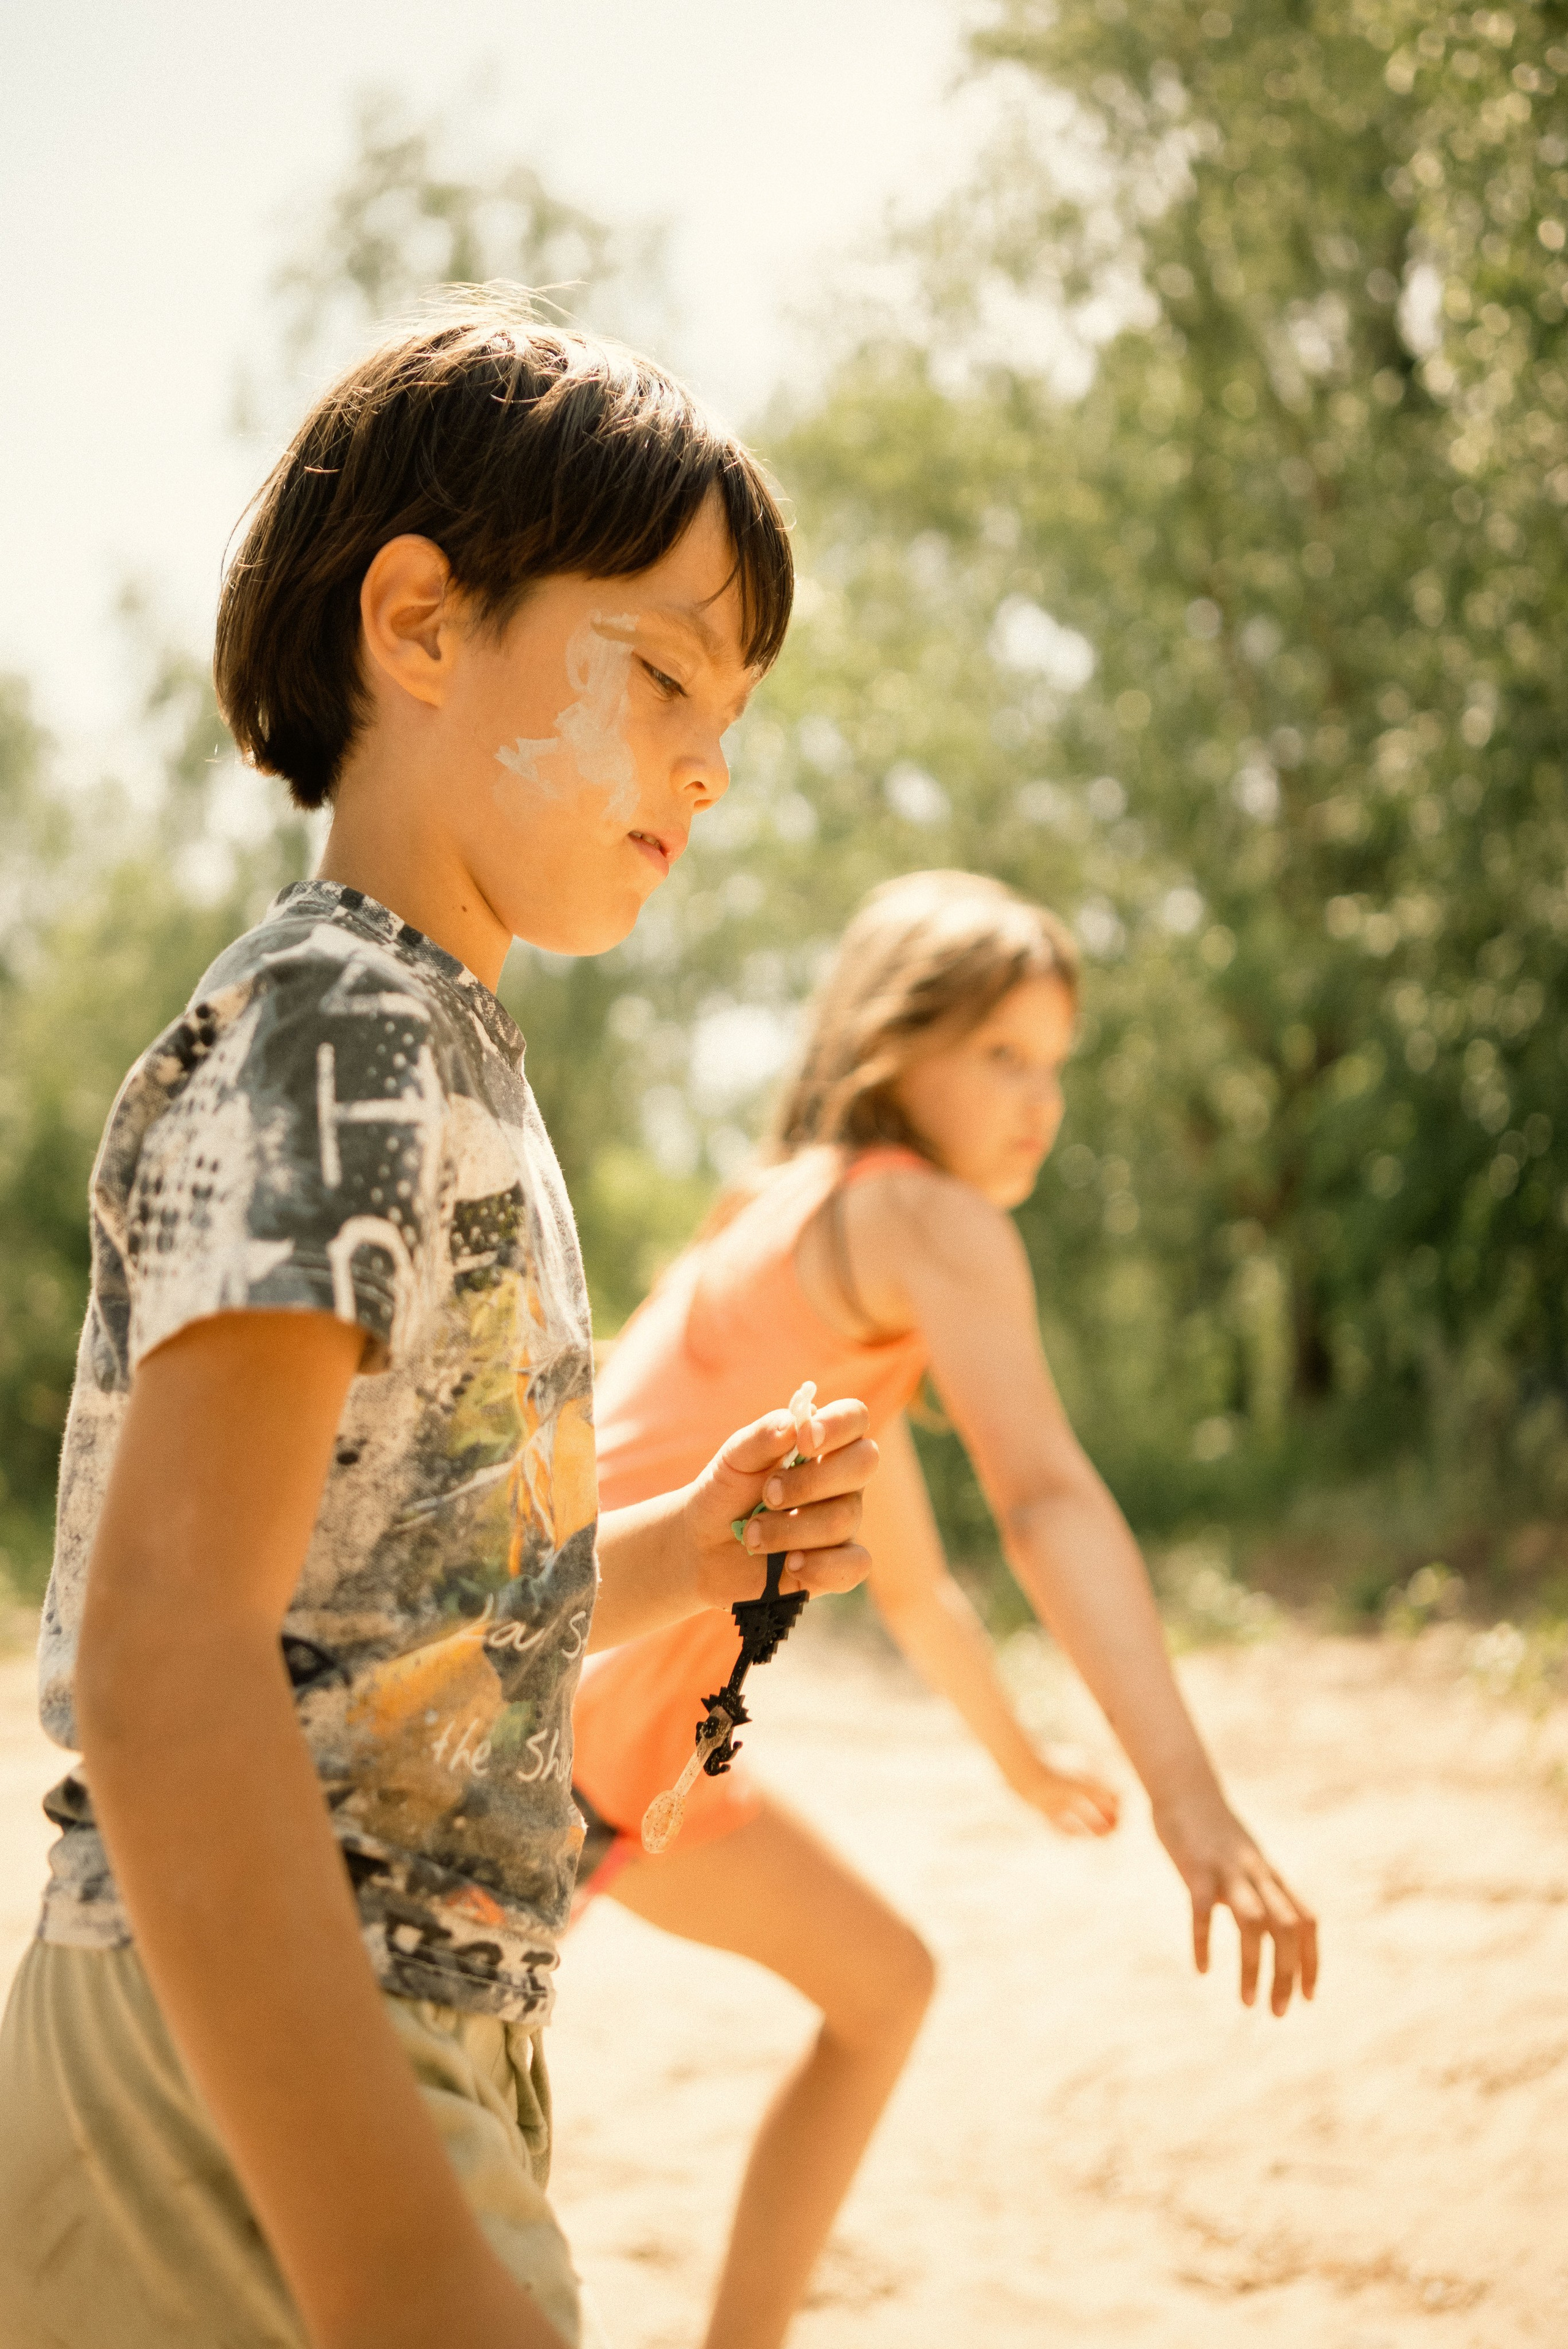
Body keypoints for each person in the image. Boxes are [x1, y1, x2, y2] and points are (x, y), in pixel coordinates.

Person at [0, 293, 881, 2349]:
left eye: (728, 712)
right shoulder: (344, 1030)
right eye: (659, 670)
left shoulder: (431, 1037)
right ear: (418, 621)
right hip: (261, 2028)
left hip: (364, 2005)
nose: (711, 763)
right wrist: (395, 2252)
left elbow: (378, 1601)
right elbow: (165, 1654)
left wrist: (680, 1555)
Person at [571, 867, 1321, 2349]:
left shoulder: (790, 1217)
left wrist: (1022, 1759)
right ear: (887, 1042)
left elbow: (910, 1584)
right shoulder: (925, 1222)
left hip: (583, 1723)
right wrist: (1187, 1794)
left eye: (1054, 1064)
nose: (1037, 1100)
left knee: (883, 1985)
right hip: (573, 1734)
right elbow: (1040, 1496)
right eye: (999, 1055)